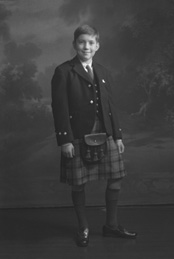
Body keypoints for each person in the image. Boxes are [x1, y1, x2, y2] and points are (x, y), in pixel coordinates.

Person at [51, 24, 137, 247]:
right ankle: (83, 228)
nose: (86, 46)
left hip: (106, 134)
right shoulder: (63, 71)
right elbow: (59, 109)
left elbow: (111, 106)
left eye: (90, 42)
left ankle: (111, 225)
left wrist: (117, 136)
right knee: (78, 184)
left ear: (97, 45)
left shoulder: (103, 71)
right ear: (74, 45)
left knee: (116, 178)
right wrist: (65, 140)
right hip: (78, 136)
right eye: (81, 42)